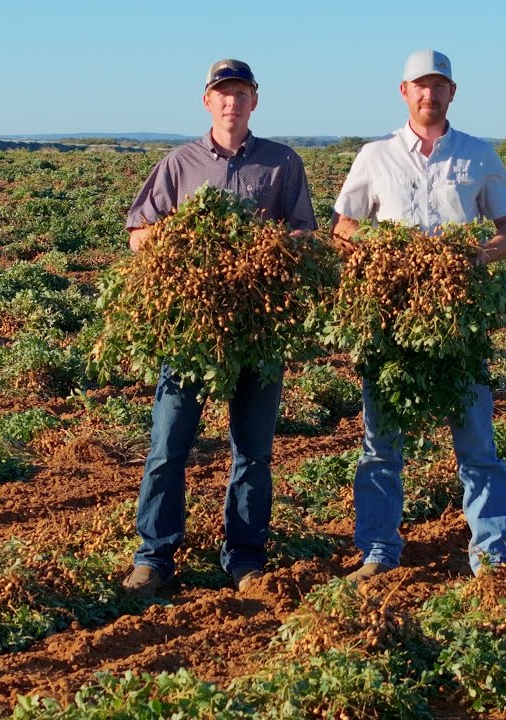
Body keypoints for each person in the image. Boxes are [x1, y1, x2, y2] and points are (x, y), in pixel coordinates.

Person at [121, 59, 317, 598]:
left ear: (256, 100)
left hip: (257, 328)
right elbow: (139, 232)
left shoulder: (282, 164)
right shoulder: (179, 163)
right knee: (168, 447)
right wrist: (182, 244)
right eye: (222, 93)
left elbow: (305, 236)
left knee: (252, 452)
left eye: (241, 92)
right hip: (190, 329)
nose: (231, 101)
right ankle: (153, 557)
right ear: (207, 101)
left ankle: (246, 560)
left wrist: (264, 251)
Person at [331, 49, 506, 582]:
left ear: (452, 93)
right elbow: (343, 231)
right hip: (390, 319)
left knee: (477, 444)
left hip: (458, 318)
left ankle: (493, 558)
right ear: (404, 92)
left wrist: (472, 257)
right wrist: (389, 254)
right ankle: (377, 552)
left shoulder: (478, 154)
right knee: (380, 445)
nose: (429, 94)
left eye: (438, 86)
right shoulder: (375, 155)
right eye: (420, 85)